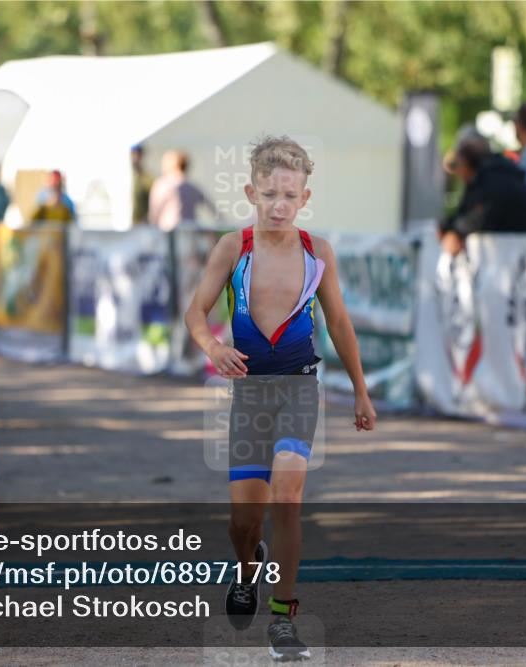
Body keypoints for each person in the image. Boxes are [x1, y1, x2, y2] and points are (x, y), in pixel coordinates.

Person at [184, 135, 376, 661]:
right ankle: (248, 568)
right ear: (251, 191)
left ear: (305, 198)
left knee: (288, 498)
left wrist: (360, 391)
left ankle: (284, 618)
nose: (279, 204)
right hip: (249, 393)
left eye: (289, 195)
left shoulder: (318, 252)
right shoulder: (233, 247)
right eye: (269, 193)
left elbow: (338, 322)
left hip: (298, 386)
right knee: (243, 523)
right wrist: (211, 345)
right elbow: (195, 313)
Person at [439, 135, 526, 256]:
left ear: (466, 163)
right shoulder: (487, 180)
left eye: (458, 165)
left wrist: (455, 231)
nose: (458, 172)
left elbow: (481, 217)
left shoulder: (494, 182)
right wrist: (449, 227)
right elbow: (468, 212)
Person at [148, 149, 215, 231]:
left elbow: (155, 213)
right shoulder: (193, 187)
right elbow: (213, 209)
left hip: (170, 233)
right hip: (191, 231)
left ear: (171, 165)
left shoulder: (163, 184)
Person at [131, 143, 154, 224]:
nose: (135, 158)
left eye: (138, 154)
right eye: (133, 154)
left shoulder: (146, 177)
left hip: (140, 222)